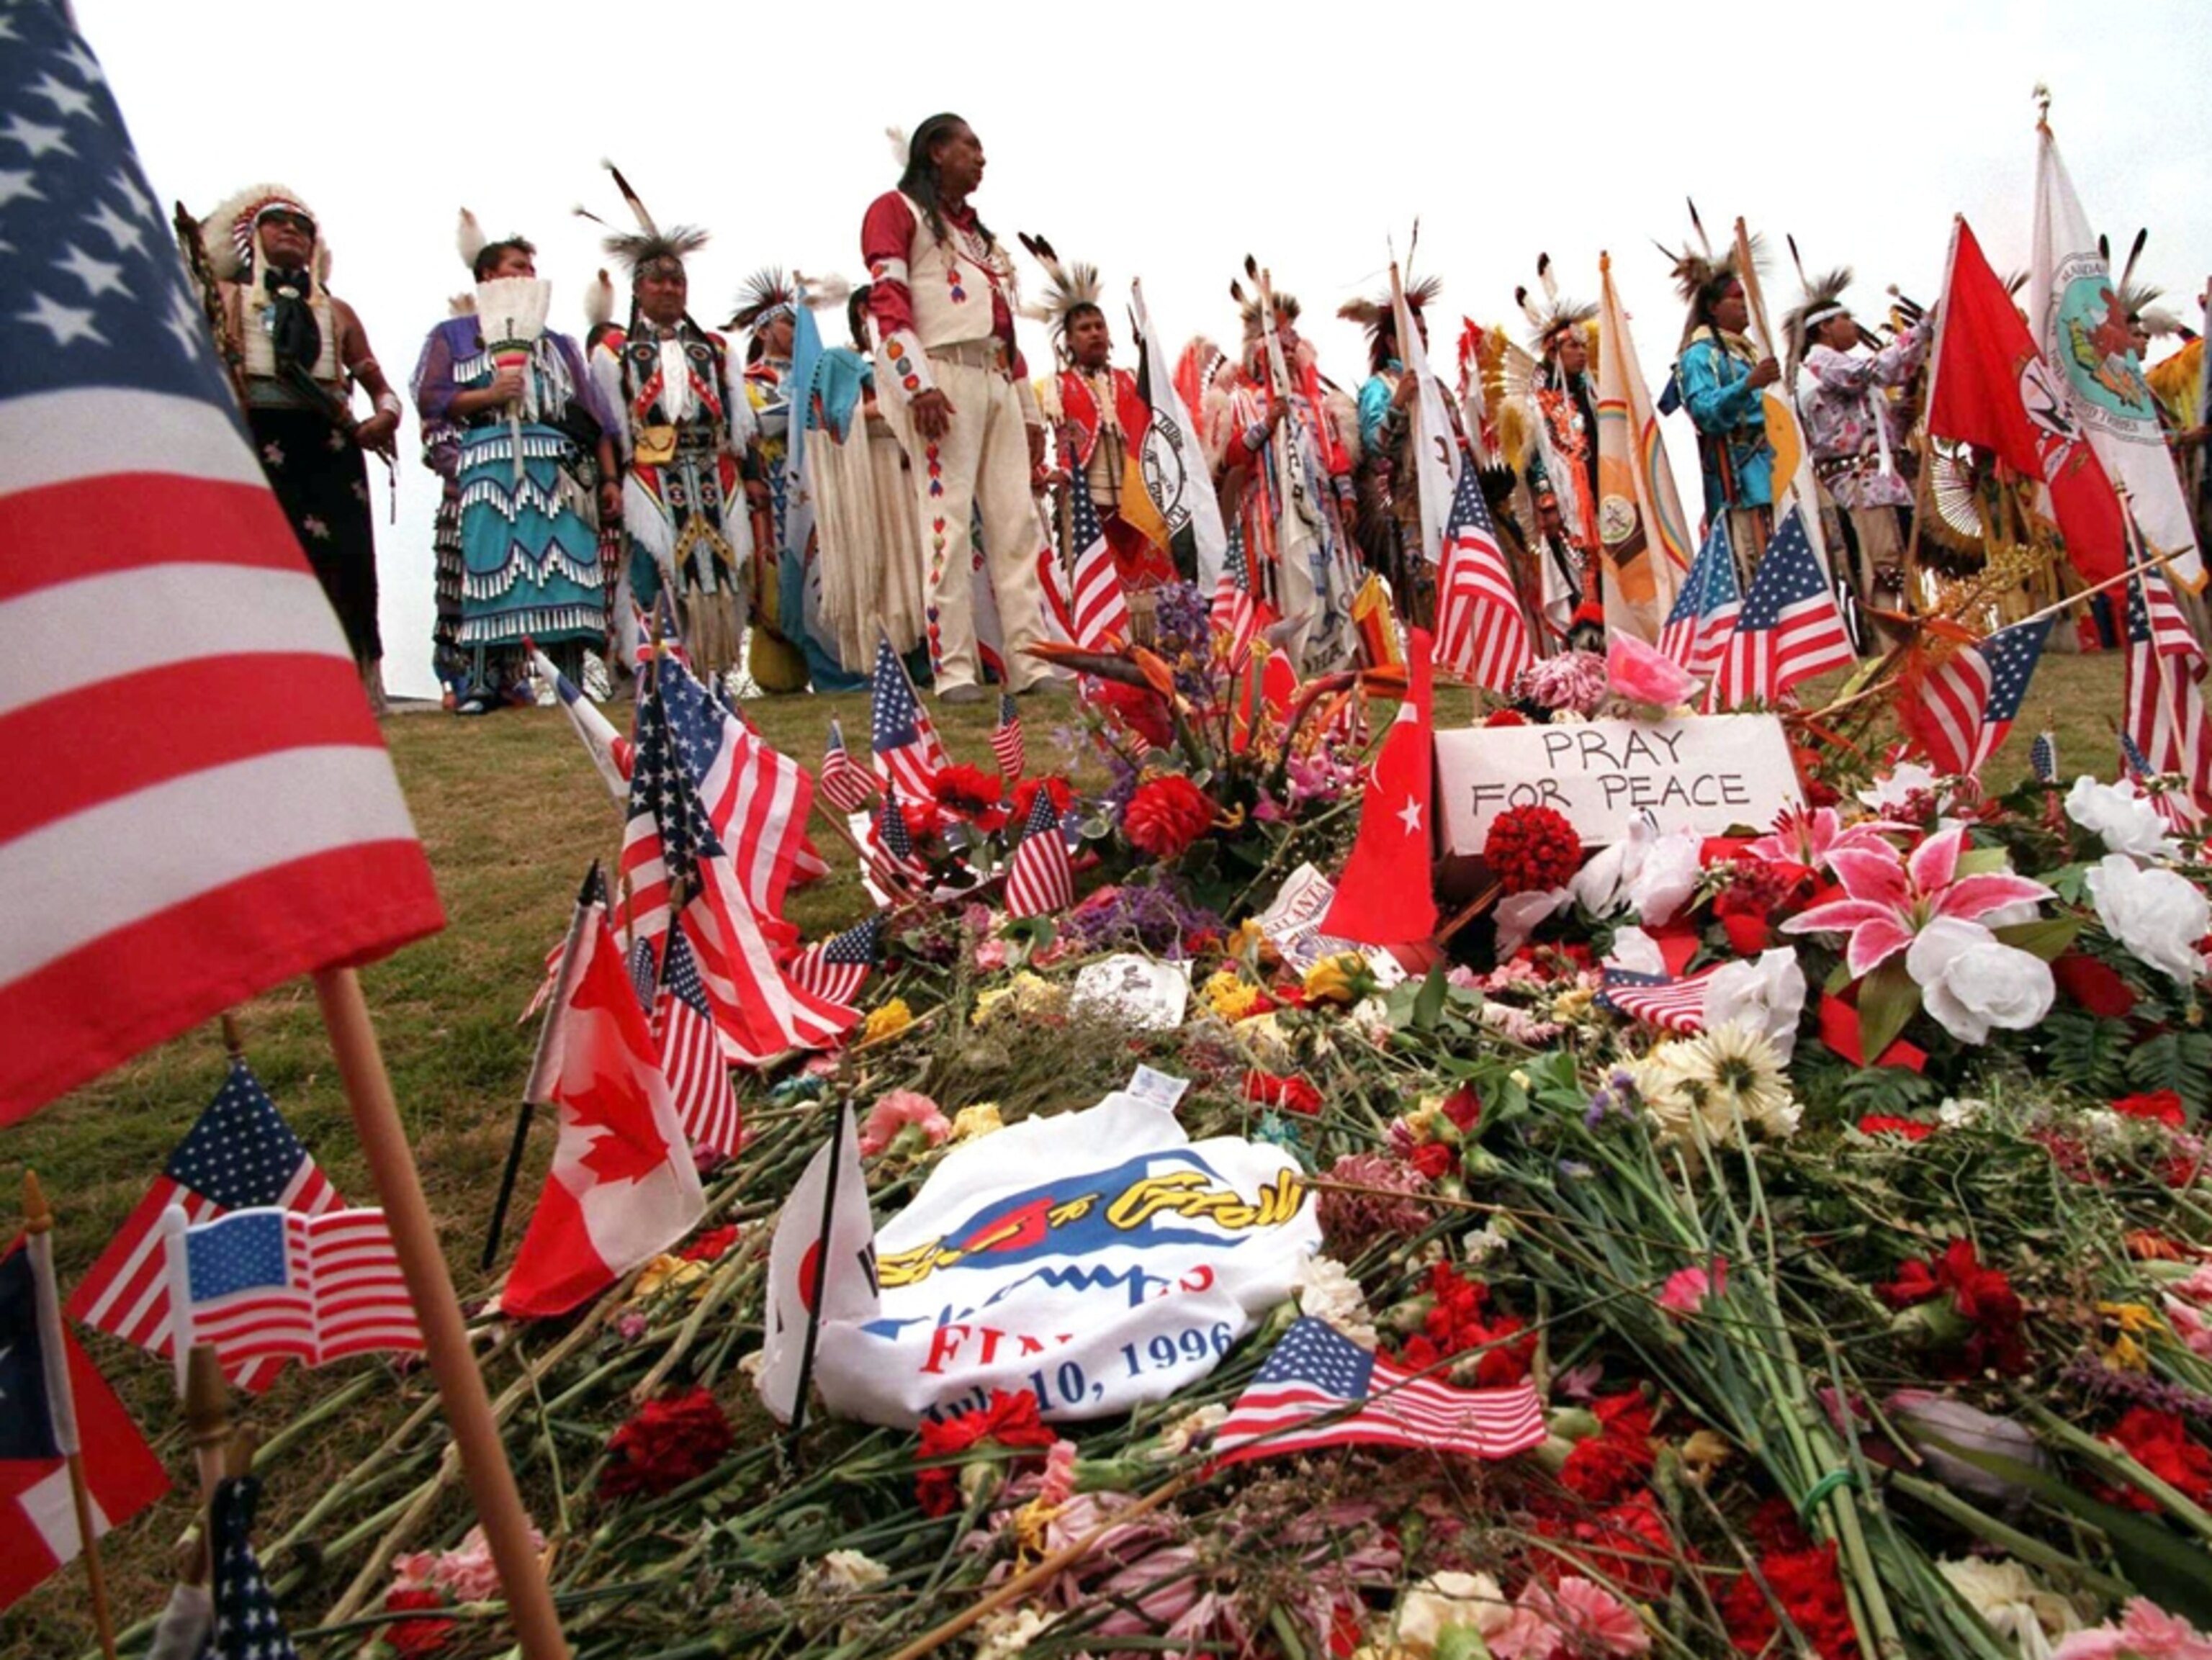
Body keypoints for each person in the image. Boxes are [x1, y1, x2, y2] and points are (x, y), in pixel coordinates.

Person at [860, 113, 1051, 703]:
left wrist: (1028, 409)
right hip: (941, 375)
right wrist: (916, 384)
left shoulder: (980, 238)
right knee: (945, 519)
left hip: (993, 376)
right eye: (971, 145)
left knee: (1016, 521)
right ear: (936, 151)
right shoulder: (896, 211)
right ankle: (955, 670)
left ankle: (1030, 661)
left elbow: (1004, 329)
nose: (982, 156)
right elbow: (886, 305)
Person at [200, 186, 400, 711]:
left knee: (345, 560)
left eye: (303, 226)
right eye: (278, 222)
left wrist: (384, 417)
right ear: (251, 237)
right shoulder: (223, 297)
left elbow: (380, 385)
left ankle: (347, 686)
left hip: (332, 442)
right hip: (254, 434)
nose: (292, 230)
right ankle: (258, 681)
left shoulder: (337, 311)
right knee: (260, 553)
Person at [412, 217, 619, 712]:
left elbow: (594, 419)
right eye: (516, 267)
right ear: (487, 278)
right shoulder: (454, 337)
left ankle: (571, 684)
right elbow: (431, 397)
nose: (528, 275)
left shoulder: (560, 344)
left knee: (565, 571)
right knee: (489, 571)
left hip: (558, 469)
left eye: (532, 268)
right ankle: (483, 684)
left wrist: (608, 480)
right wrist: (488, 393)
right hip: (487, 464)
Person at [587, 173, 755, 682]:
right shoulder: (613, 353)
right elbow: (611, 427)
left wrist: (750, 478)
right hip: (651, 475)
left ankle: (714, 668)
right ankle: (658, 666)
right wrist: (613, 481)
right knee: (652, 568)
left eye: (677, 281)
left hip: (713, 470)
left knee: (719, 572)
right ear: (638, 289)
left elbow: (738, 423)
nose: (669, 289)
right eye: (658, 281)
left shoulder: (717, 349)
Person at [1208, 280, 1360, 672]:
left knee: (1328, 582)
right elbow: (1231, 454)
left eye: (1293, 348)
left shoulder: (1318, 404)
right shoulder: (1242, 401)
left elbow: (1336, 455)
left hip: (1322, 516)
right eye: (1278, 348)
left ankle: (1331, 658)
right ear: (1257, 355)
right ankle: (1282, 661)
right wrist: (1267, 423)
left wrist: (1346, 498)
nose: (1288, 355)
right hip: (1269, 518)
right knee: (1282, 582)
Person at [1786, 268, 1932, 649]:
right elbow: (1879, 369)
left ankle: (1910, 642)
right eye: (1844, 318)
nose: (1853, 325)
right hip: (1860, 480)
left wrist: (1910, 406)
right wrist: (1922, 331)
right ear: (1824, 329)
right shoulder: (1823, 363)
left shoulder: (1848, 376)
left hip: (1880, 479)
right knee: (1883, 566)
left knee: (1899, 562)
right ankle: (1893, 648)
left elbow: (1888, 429)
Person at [1025, 237, 1173, 605]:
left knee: (1154, 589)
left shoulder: (1129, 380)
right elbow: (1021, 432)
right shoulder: (1052, 388)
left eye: (1099, 326)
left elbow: (1164, 426)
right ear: (1069, 342)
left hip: (1139, 498)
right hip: (1084, 500)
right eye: (1085, 329)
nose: (1095, 333)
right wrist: (1043, 471)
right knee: (1101, 596)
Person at [1668, 240, 1779, 581]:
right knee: (1756, 574)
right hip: (1739, 483)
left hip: (1777, 473)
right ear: (1714, 307)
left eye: (1746, 297)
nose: (1745, 305)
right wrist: (1747, 385)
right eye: (1736, 297)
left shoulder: (1747, 354)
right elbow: (1703, 411)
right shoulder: (1699, 356)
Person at [729, 268, 816, 693]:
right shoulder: (746, 383)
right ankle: (777, 670)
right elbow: (752, 429)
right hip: (770, 492)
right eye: (789, 323)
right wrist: (801, 409)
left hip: (813, 492)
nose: (796, 332)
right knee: (773, 579)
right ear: (765, 330)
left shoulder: (811, 378)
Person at [1341, 276, 1444, 618]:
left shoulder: (1438, 388)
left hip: (1450, 503)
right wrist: (1398, 403)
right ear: (1391, 341)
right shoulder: (1380, 387)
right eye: (1414, 332)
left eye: (1425, 331)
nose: (1423, 339)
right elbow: (1373, 447)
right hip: (1407, 507)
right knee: (1422, 595)